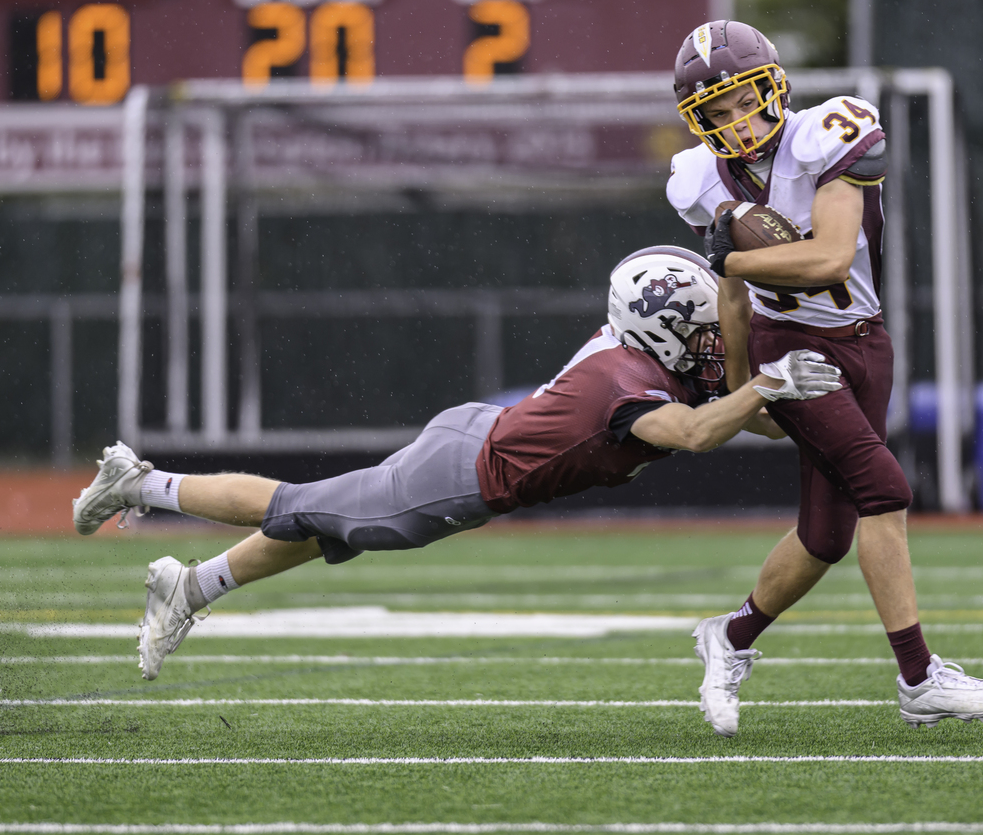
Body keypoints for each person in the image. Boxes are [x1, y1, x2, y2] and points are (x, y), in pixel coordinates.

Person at [71, 245, 843, 681]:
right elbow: (703, 434)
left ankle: (190, 585)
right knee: (301, 508)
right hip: (461, 481)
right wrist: (766, 388)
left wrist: (759, 372)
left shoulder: (643, 355)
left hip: (474, 438)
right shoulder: (627, 383)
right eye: (700, 328)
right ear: (665, 328)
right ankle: (141, 482)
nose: (711, 342)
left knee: (325, 520)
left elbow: (746, 413)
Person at [665, 20, 983, 735]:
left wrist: (727, 257)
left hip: (865, 338)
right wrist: (744, 389)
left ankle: (729, 638)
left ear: (774, 88)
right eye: (717, 111)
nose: (736, 120)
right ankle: (920, 678)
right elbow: (733, 301)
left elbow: (830, 258)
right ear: (698, 120)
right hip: (789, 347)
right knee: (884, 489)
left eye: (744, 101)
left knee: (825, 535)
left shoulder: (829, 132)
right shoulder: (698, 177)